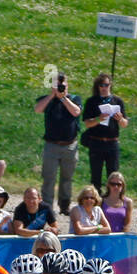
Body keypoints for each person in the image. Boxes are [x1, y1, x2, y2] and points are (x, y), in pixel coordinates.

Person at [36, 72, 81, 213]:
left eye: (63, 84)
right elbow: (38, 109)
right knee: (49, 178)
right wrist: (52, 95)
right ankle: (47, 206)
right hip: (51, 145)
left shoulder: (74, 99)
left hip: (70, 145)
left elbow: (76, 112)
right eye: (57, 84)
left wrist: (63, 99)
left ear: (67, 85)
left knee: (67, 179)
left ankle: (64, 205)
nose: (61, 86)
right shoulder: (47, 99)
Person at [80, 73, 128, 192]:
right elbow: (87, 123)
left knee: (113, 175)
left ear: (110, 85)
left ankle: (111, 200)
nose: (104, 87)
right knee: (95, 175)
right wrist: (98, 119)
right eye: (101, 85)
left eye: (106, 85)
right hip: (96, 142)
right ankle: (96, 200)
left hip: (112, 143)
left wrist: (120, 119)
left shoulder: (117, 101)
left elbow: (124, 124)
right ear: (97, 86)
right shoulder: (92, 101)